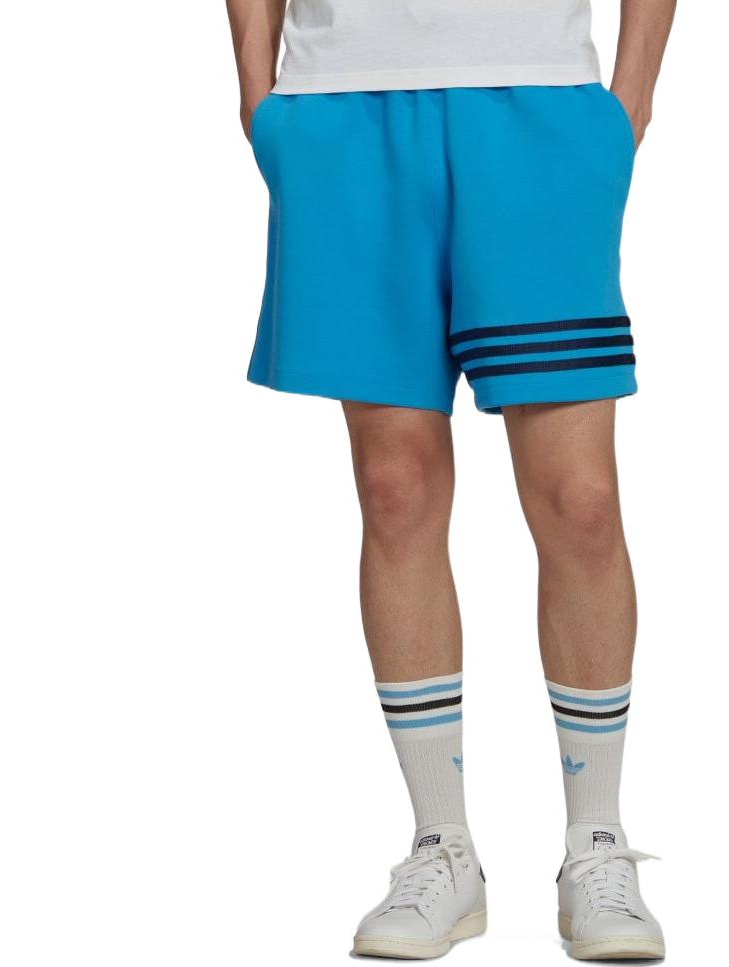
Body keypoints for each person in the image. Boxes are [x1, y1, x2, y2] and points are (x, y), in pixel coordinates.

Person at [226, 0, 675, 958]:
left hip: (538, 103)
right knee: (395, 486)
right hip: (342, 102)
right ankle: (442, 846)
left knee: (579, 499)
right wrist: (257, 90)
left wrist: (630, 97)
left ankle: (596, 842)